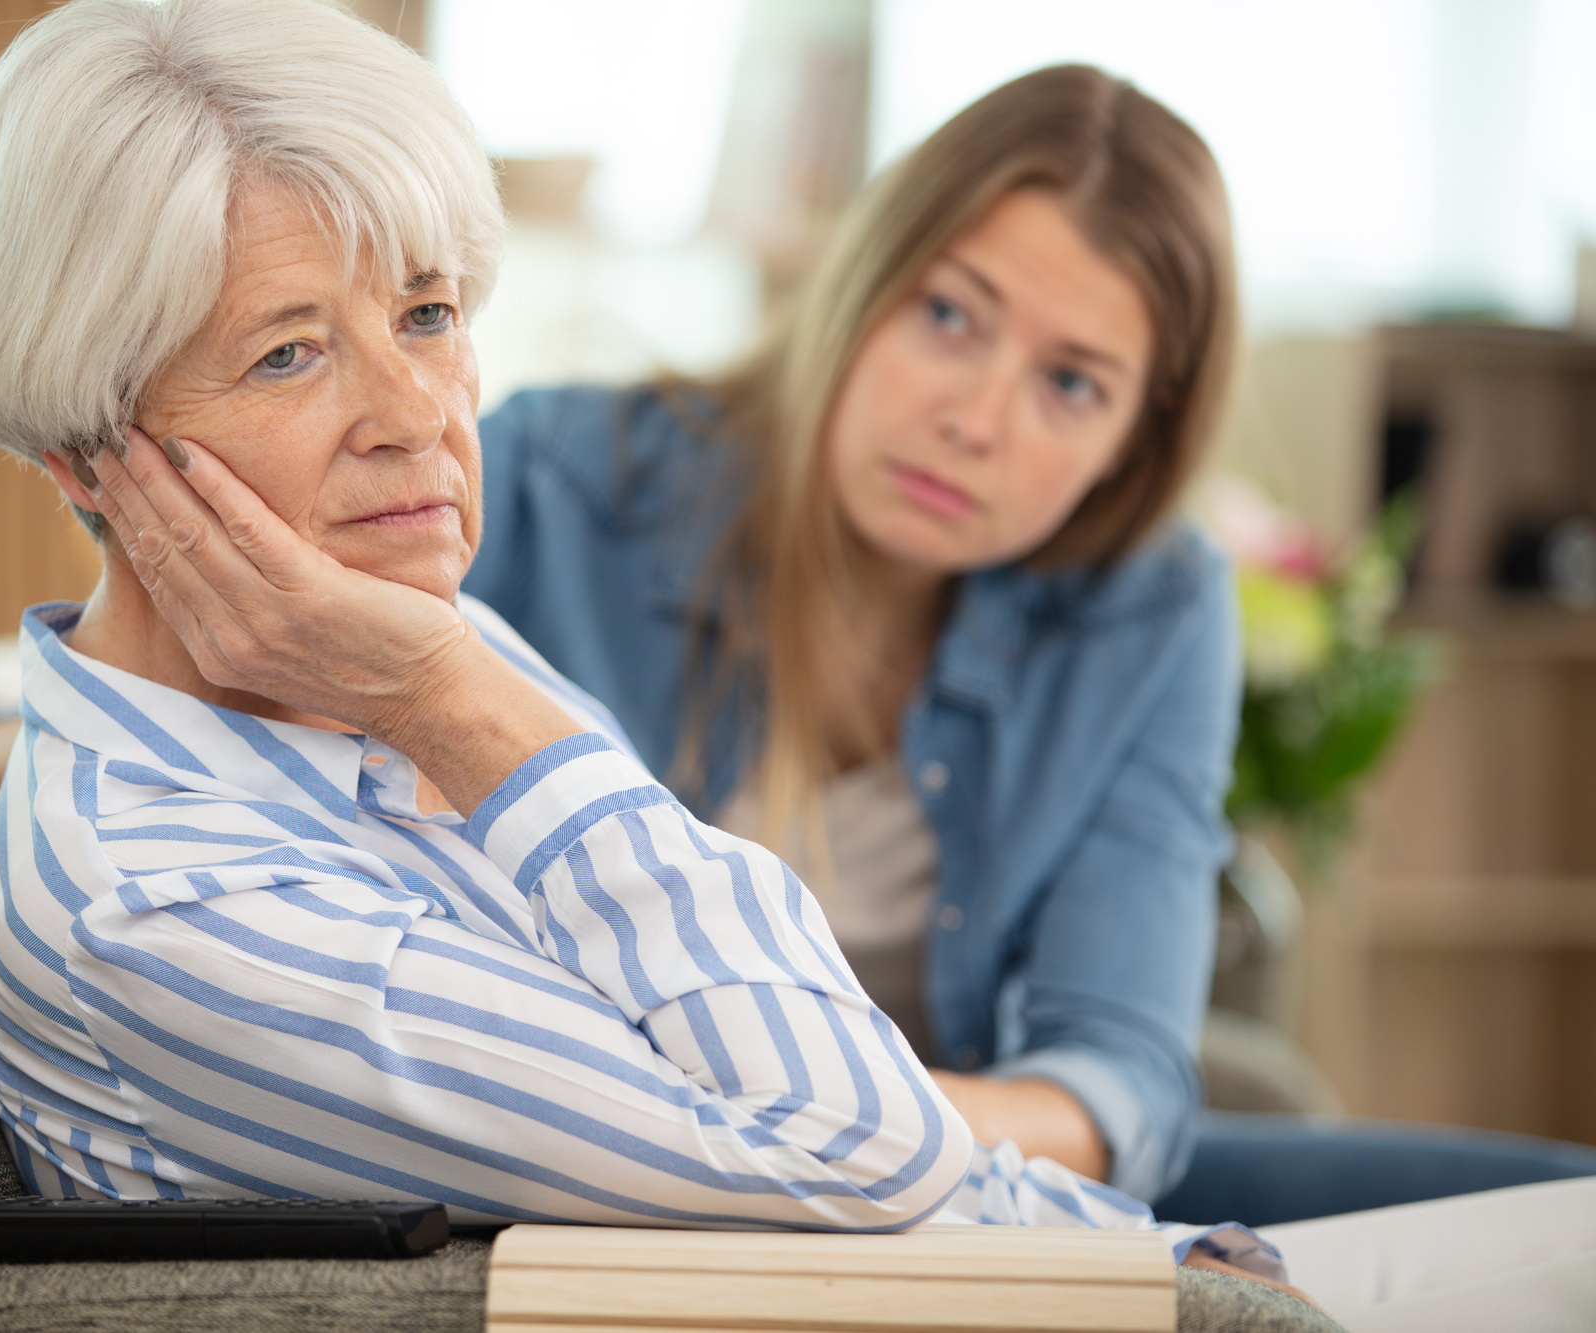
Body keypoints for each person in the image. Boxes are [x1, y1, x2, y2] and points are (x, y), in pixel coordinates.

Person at [0, 0, 1289, 1286]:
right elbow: (868, 1143)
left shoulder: (418, 639)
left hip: (1108, 1243)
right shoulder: (185, 897)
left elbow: (1078, 1078)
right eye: (289, 352)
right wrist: (452, 697)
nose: (421, 414)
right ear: (86, 455)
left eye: (429, 314)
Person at [466, 64, 1236, 1204]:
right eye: (946, 314)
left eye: (1070, 384)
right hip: (575, 1182)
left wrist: (842, 1137)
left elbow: (1114, 1082)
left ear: (1131, 439)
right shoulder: (549, 482)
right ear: (859, 278)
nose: (972, 421)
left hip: (938, 1197)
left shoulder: (1151, 606)